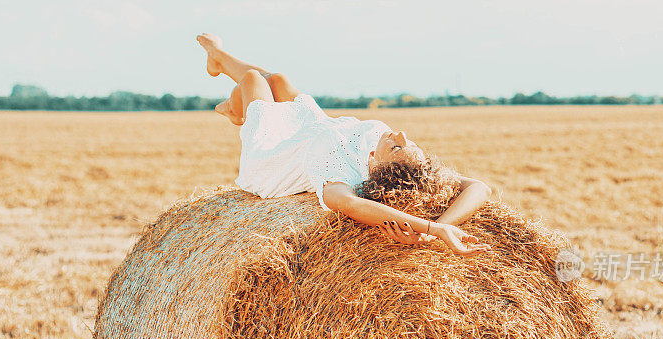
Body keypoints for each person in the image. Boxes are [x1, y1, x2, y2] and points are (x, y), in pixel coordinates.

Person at [197, 33, 492, 257]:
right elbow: (480, 186)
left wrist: (429, 230)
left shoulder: (342, 173)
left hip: (274, 153)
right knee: (279, 80)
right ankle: (224, 76)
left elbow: (350, 203)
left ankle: (233, 101)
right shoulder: (386, 147)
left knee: (252, 80)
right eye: (409, 142)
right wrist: (444, 225)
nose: (400, 135)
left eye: (398, 148)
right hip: (313, 127)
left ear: (376, 164)